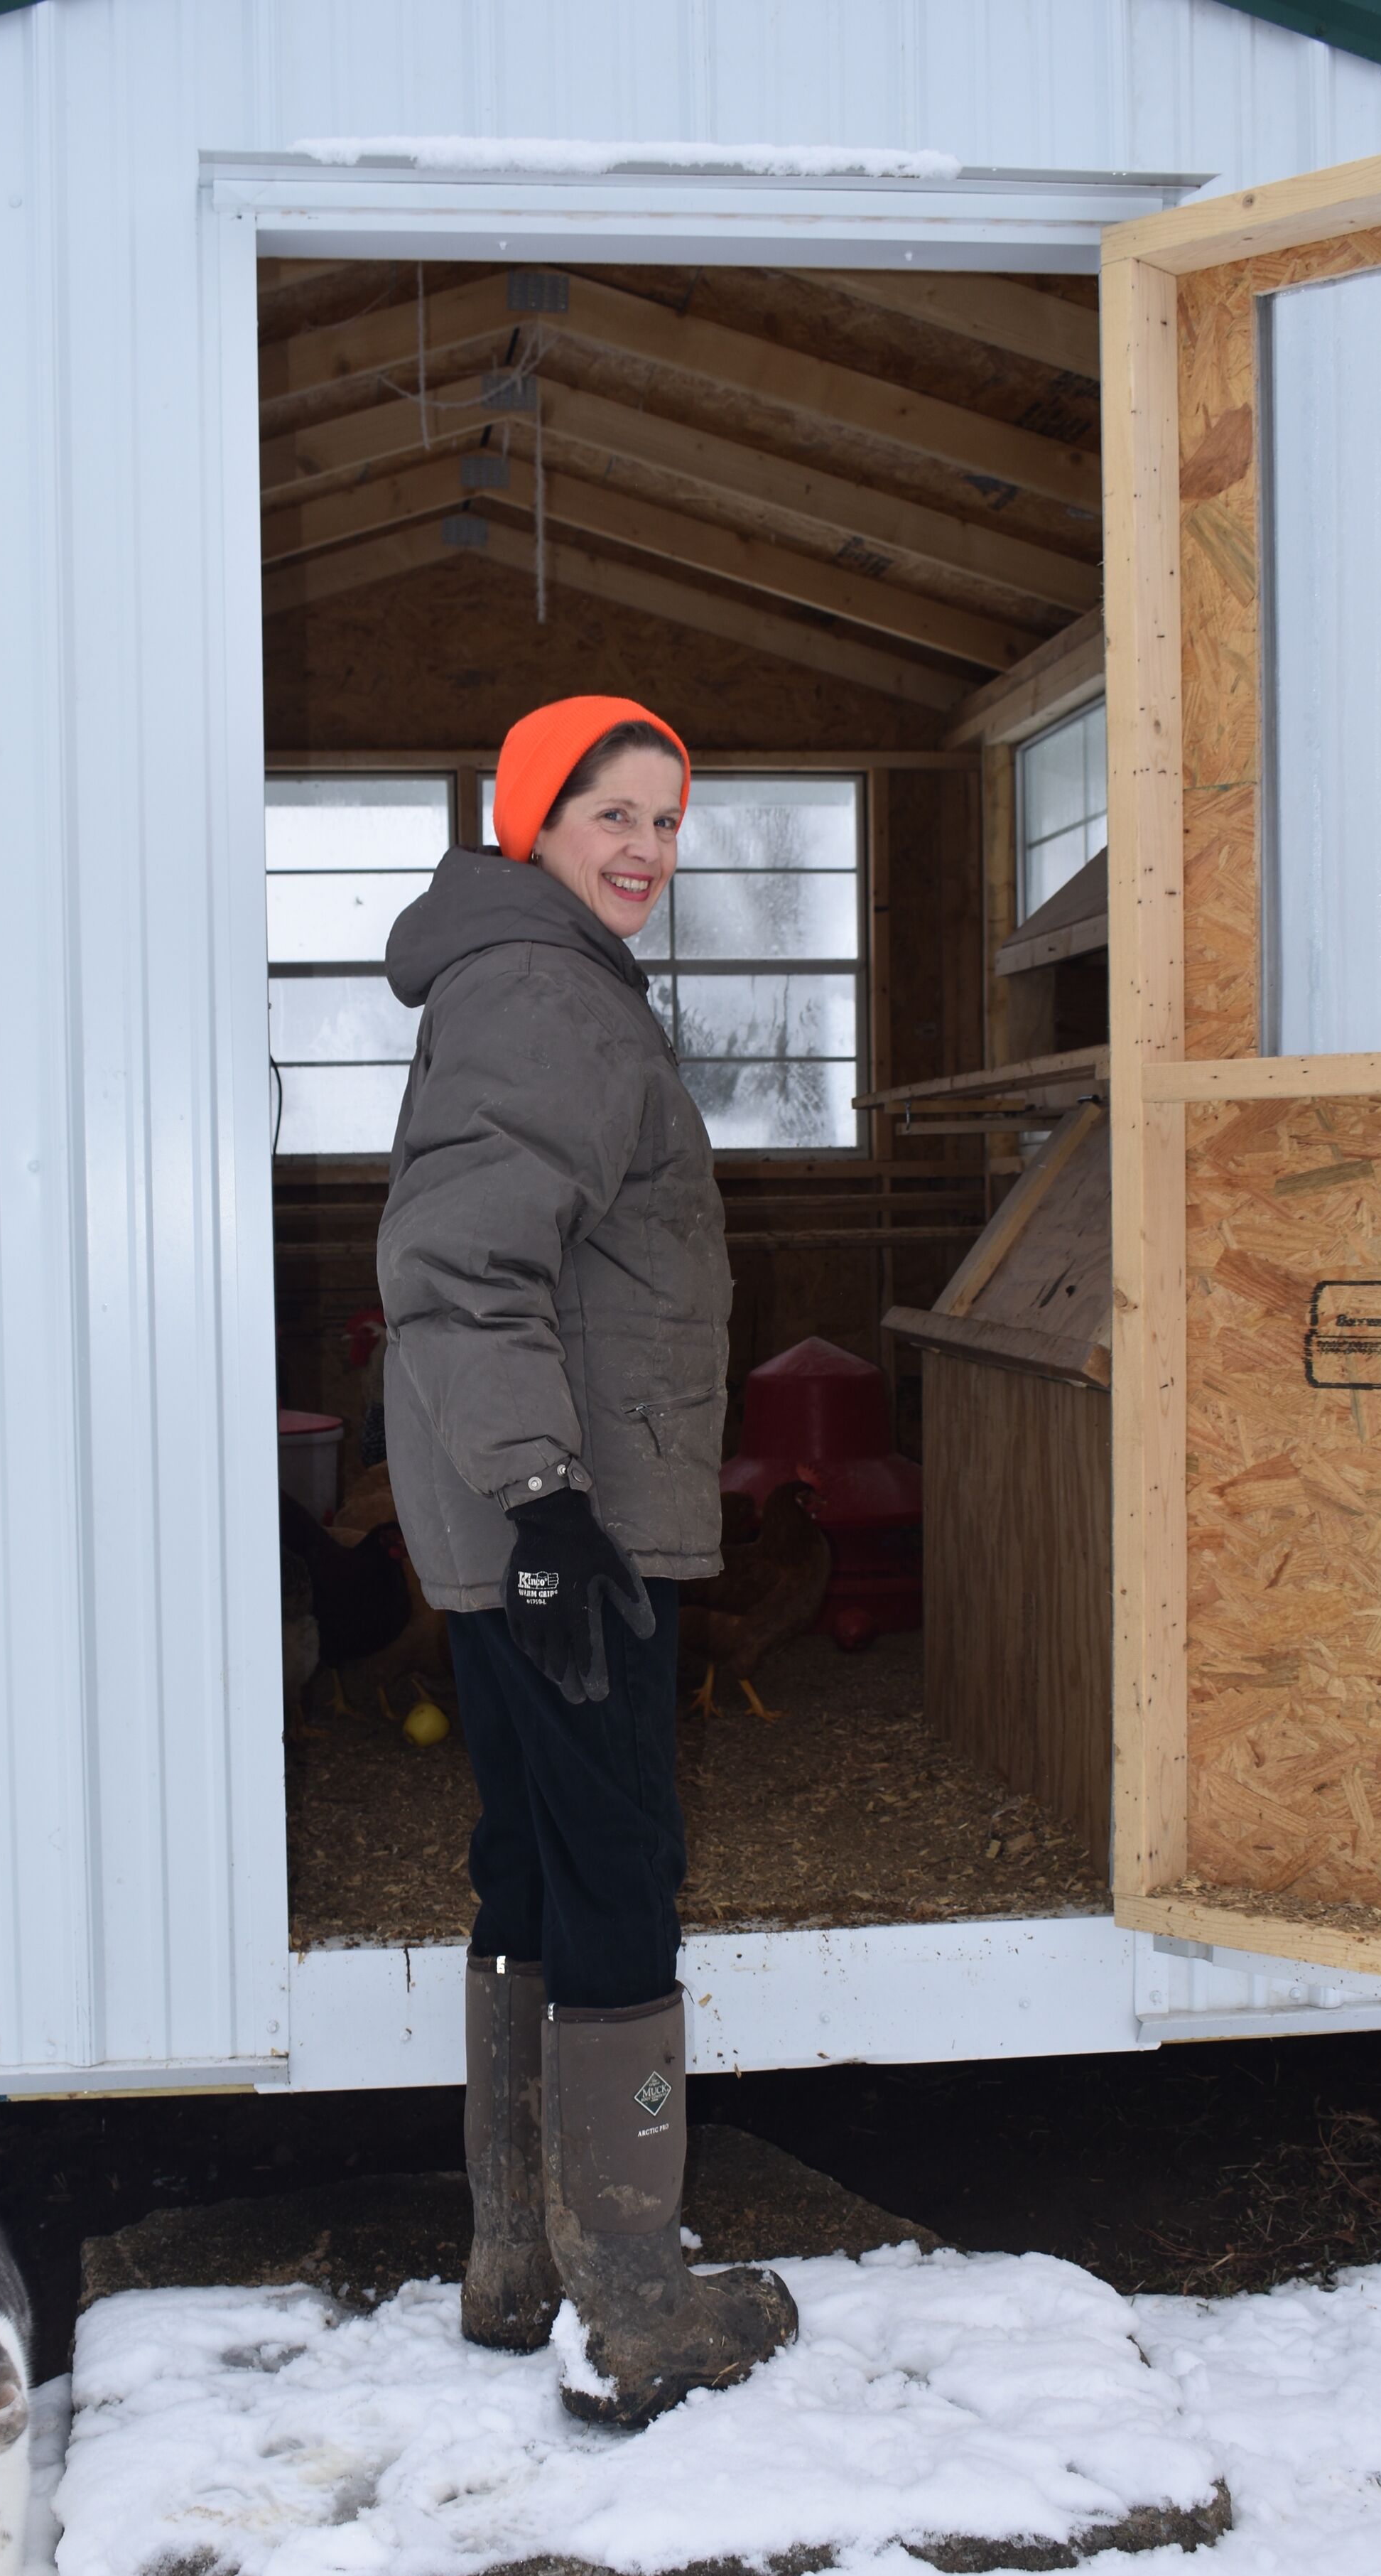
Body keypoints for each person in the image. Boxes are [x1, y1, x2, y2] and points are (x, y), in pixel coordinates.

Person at [377, 695, 798, 2427]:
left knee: (535, 1857)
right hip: (568, 1519)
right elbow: (462, 1263)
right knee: (617, 1862)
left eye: (663, 818)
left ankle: (516, 2257)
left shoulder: (529, 979)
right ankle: (633, 2301)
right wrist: (552, 1510)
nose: (640, 848)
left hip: (528, 1517)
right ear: (531, 821)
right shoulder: (544, 993)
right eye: (605, 813)